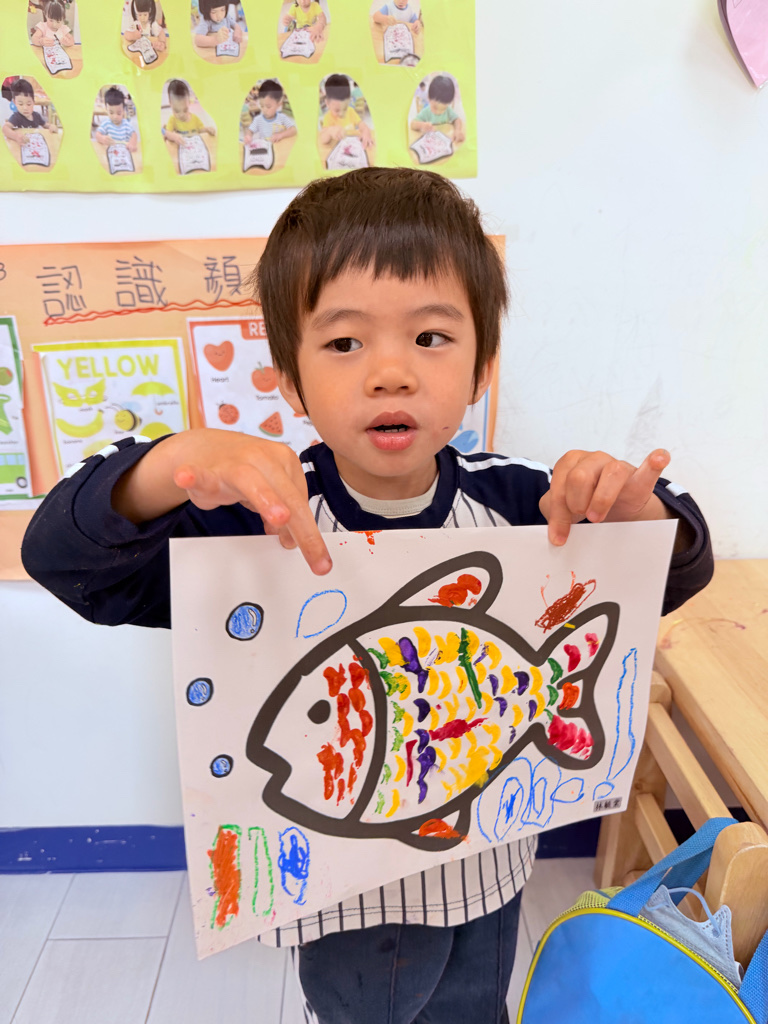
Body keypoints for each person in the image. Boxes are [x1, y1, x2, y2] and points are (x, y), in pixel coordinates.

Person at [21, 168, 714, 1024]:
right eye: (345, 343)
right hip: (346, 900)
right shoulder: (251, 522)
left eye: (430, 337)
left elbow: (675, 574)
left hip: (489, 868)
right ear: (289, 377)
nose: (390, 372)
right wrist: (172, 464)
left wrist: (634, 512)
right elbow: (63, 559)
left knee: (476, 1010)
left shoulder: (522, 503)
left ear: (482, 366)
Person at [319, 73, 372, 149]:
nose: (341, 114)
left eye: (345, 108)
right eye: (337, 110)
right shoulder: (328, 117)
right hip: (336, 150)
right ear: (327, 103)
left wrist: (366, 131)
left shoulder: (350, 111)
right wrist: (329, 131)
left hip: (351, 147)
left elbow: (362, 125)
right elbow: (322, 139)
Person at [411, 74, 465, 144]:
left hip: (445, 142)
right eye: (435, 108)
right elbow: (413, 124)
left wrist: (458, 130)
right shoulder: (426, 112)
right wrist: (422, 125)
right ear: (429, 98)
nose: (439, 112)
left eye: (443, 109)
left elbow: (457, 120)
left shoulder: (448, 110)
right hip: (430, 143)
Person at [2, 77, 57, 142]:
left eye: (28, 104)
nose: (25, 108)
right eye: (21, 104)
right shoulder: (16, 117)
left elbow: (46, 125)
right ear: (15, 102)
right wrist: (16, 136)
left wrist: (51, 126)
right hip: (22, 145)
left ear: (33, 102)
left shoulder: (36, 116)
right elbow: (5, 129)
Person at [162, 78, 215, 145]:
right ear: (170, 103)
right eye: (176, 111)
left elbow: (201, 130)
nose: (181, 115)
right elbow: (166, 134)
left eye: (185, 110)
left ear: (189, 102)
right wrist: (172, 136)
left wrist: (207, 129)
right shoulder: (172, 120)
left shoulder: (195, 118)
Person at [243, 79, 296, 144]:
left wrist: (280, 135)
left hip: (278, 148)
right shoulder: (258, 120)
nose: (264, 110)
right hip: (265, 148)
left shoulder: (282, 118)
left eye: (268, 107)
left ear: (278, 104)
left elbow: (293, 130)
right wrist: (248, 136)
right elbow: (250, 130)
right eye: (262, 106)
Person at [94, 86, 138, 152]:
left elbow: (134, 134)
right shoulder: (106, 123)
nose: (115, 117)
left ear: (123, 110)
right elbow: (97, 134)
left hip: (123, 152)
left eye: (119, 113)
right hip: (111, 152)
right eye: (111, 113)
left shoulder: (126, 124)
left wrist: (132, 143)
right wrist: (102, 138)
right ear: (106, 109)